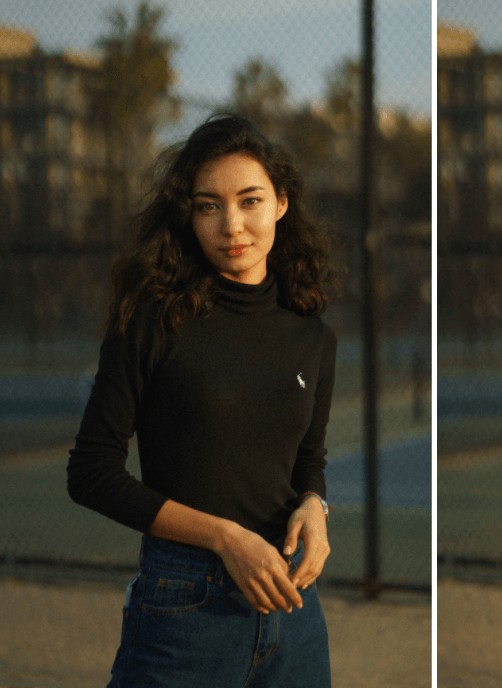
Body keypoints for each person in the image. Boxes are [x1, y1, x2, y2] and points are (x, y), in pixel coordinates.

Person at [68, 113, 337, 687]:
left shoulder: (312, 336)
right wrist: (225, 538)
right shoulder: (152, 321)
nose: (232, 225)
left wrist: (314, 505)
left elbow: (307, 458)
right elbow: (90, 472)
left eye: (250, 200)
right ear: (188, 215)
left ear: (281, 204)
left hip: (294, 608)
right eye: (208, 205)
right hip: (183, 605)